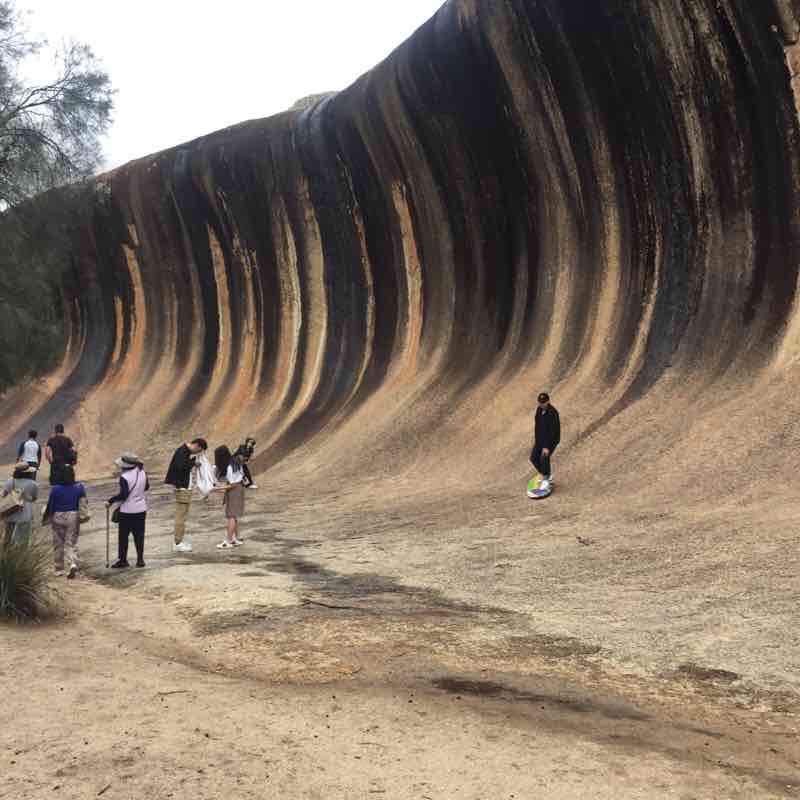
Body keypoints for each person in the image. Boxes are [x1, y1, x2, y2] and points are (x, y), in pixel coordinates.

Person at [164, 437, 208, 553]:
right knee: (181, 516)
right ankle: (178, 542)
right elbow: (180, 467)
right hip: (181, 488)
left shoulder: (185, 452)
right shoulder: (182, 451)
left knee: (183, 515)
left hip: (184, 487)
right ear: (197, 446)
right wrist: (193, 463)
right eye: (199, 451)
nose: (197, 453)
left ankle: (179, 540)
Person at [42, 465, 86, 578]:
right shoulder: (79, 487)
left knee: (58, 543)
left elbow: (51, 505)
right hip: (73, 515)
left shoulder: (55, 489)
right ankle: (72, 563)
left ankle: (59, 569)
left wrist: (49, 517)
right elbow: (83, 503)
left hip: (58, 515)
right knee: (70, 542)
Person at [107, 452, 149, 569]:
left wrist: (110, 500)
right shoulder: (142, 472)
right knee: (139, 535)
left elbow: (123, 495)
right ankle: (140, 560)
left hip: (127, 511)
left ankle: (123, 560)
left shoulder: (124, 477)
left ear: (125, 465)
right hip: (141, 509)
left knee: (123, 537)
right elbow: (147, 487)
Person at [213, 445, 245, 549]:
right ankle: (235, 539)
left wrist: (216, 489)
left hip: (235, 490)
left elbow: (232, 485)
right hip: (239, 489)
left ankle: (228, 540)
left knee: (231, 516)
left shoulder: (229, 467)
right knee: (234, 515)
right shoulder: (234, 462)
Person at [2, 462, 39, 544]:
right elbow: (34, 499)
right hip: (25, 514)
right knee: (23, 540)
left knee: (7, 538)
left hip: (10, 513)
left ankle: (7, 554)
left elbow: (3, 495)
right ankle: (21, 555)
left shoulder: (10, 481)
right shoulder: (33, 484)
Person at [530, 392, 561, 486]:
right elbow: (537, 427)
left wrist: (546, 446)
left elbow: (553, 432)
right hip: (541, 439)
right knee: (533, 458)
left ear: (548, 401)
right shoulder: (539, 410)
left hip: (551, 440)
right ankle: (546, 474)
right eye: (540, 402)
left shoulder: (553, 413)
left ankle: (546, 479)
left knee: (544, 457)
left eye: (543, 402)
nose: (541, 404)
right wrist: (537, 441)